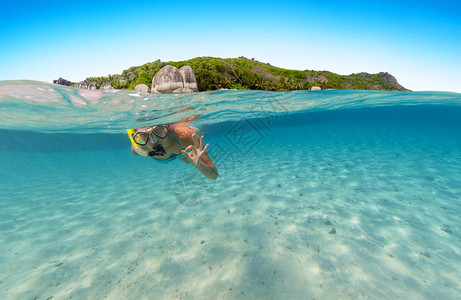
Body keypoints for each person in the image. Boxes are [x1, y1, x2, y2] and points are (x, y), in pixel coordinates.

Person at [126, 120, 218, 180]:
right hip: (180, 151)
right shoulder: (140, 147)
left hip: (182, 146)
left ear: (167, 127)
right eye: (144, 134)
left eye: (158, 130)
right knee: (185, 158)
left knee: (187, 159)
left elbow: (214, 175)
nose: (154, 141)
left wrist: (200, 166)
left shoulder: (184, 136)